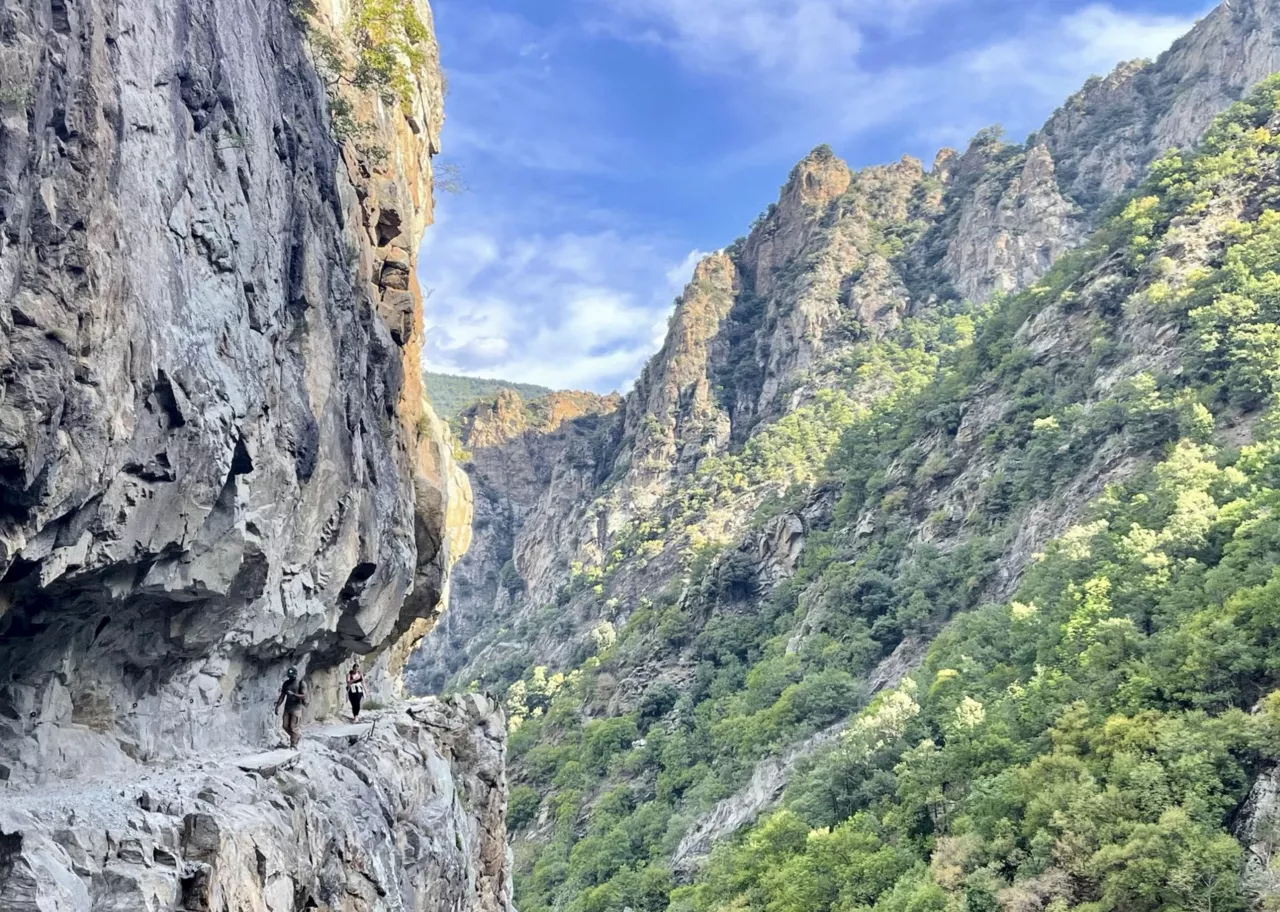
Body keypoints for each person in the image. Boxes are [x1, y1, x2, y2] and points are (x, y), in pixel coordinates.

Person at [274, 666, 307, 748]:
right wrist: (277, 706)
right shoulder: (286, 683)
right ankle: (296, 736)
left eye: (292, 675)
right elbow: (282, 696)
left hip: (297, 708)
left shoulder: (301, 683)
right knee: (285, 726)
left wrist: (294, 694)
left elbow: (304, 696)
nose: (290, 677)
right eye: (289, 675)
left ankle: (294, 744)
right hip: (287, 708)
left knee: (293, 727)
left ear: (296, 674)